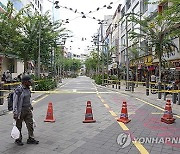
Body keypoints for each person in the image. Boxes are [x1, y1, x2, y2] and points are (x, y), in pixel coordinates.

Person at [13, 75, 39, 146]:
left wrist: (30, 106)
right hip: (20, 111)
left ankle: (31, 138)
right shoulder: (18, 90)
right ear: (25, 82)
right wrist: (15, 113)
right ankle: (18, 139)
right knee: (19, 126)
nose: (31, 83)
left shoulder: (28, 89)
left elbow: (28, 99)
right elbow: (15, 102)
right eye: (29, 81)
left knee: (30, 124)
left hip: (27, 110)